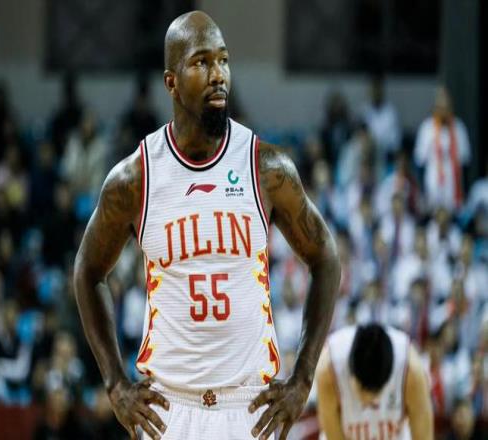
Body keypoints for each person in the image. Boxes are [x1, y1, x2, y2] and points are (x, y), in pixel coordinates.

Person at [73, 10, 340, 440]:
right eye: (201, 62)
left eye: (223, 61)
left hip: (249, 407)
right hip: (168, 409)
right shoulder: (136, 177)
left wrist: (302, 379)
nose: (218, 75)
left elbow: (326, 258)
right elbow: (87, 272)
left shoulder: (266, 167)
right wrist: (116, 384)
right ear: (171, 82)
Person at [316, 323, 433, 440]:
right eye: (362, 390)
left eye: (375, 393)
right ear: (350, 373)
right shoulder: (329, 370)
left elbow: (423, 437)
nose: (368, 400)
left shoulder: (411, 371)